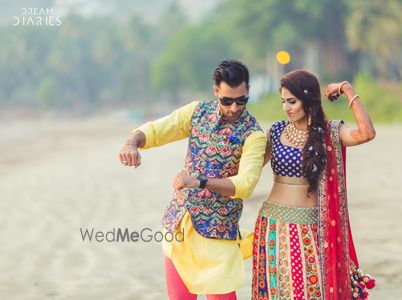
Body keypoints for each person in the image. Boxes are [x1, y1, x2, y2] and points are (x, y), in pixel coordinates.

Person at [119, 60, 266, 300]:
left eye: (241, 100)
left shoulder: (253, 134)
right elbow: (157, 130)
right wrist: (131, 143)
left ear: (248, 90)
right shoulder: (197, 112)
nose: (233, 108)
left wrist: (199, 181)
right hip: (179, 224)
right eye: (227, 100)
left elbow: (245, 184)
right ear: (216, 91)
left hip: (218, 234)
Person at [252, 70, 376, 300]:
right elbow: (251, 168)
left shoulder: (328, 133)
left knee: (310, 292)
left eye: (292, 101)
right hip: (272, 225)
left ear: (308, 101)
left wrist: (348, 90)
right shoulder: (277, 131)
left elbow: (366, 133)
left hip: (309, 228)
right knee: (275, 292)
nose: (286, 108)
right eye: (283, 102)